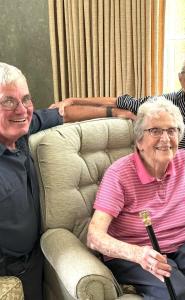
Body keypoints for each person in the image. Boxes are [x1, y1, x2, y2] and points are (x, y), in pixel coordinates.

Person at [54, 50, 185, 211]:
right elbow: (124, 102)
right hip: (178, 199)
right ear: (181, 78)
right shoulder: (168, 106)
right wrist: (72, 100)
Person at [87, 97, 185, 300]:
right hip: (139, 253)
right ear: (139, 141)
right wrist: (138, 254)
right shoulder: (119, 174)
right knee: (180, 295)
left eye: (172, 130)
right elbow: (94, 236)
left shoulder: (184, 162)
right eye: (155, 131)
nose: (165, 139)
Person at [0, 62, 121, 299]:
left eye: (26, 99)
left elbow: (62, 114)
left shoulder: (20, 129)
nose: (22, 110)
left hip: (35, 261)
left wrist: (113, 112)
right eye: (8, 101)